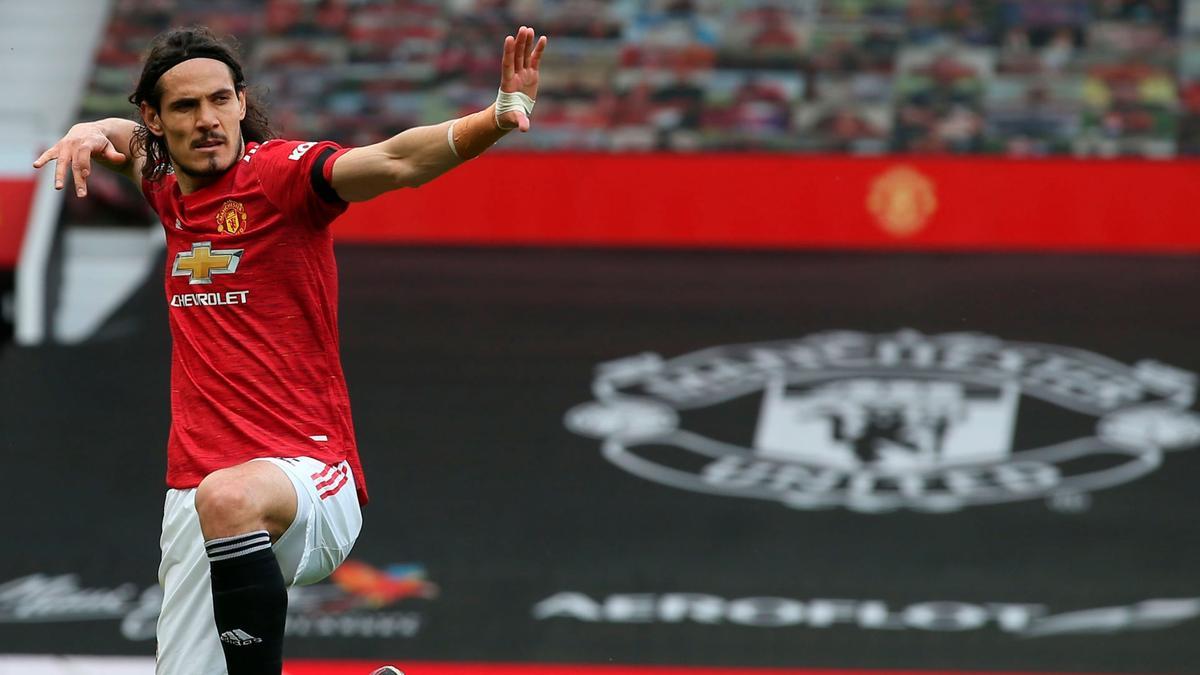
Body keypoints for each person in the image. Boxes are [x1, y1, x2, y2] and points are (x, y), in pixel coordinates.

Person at [33, 24, 547, 675]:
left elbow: (395, 161)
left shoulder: (280, 175)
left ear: (242, 103)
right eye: (186, 106)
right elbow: (118, 140)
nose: (208, 118)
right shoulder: (164, 184)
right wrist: (85, 132)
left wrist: (497, 118)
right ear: (154, 120)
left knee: (228, 495)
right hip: (195, 495)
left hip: (309, 476)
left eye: (221, 99)